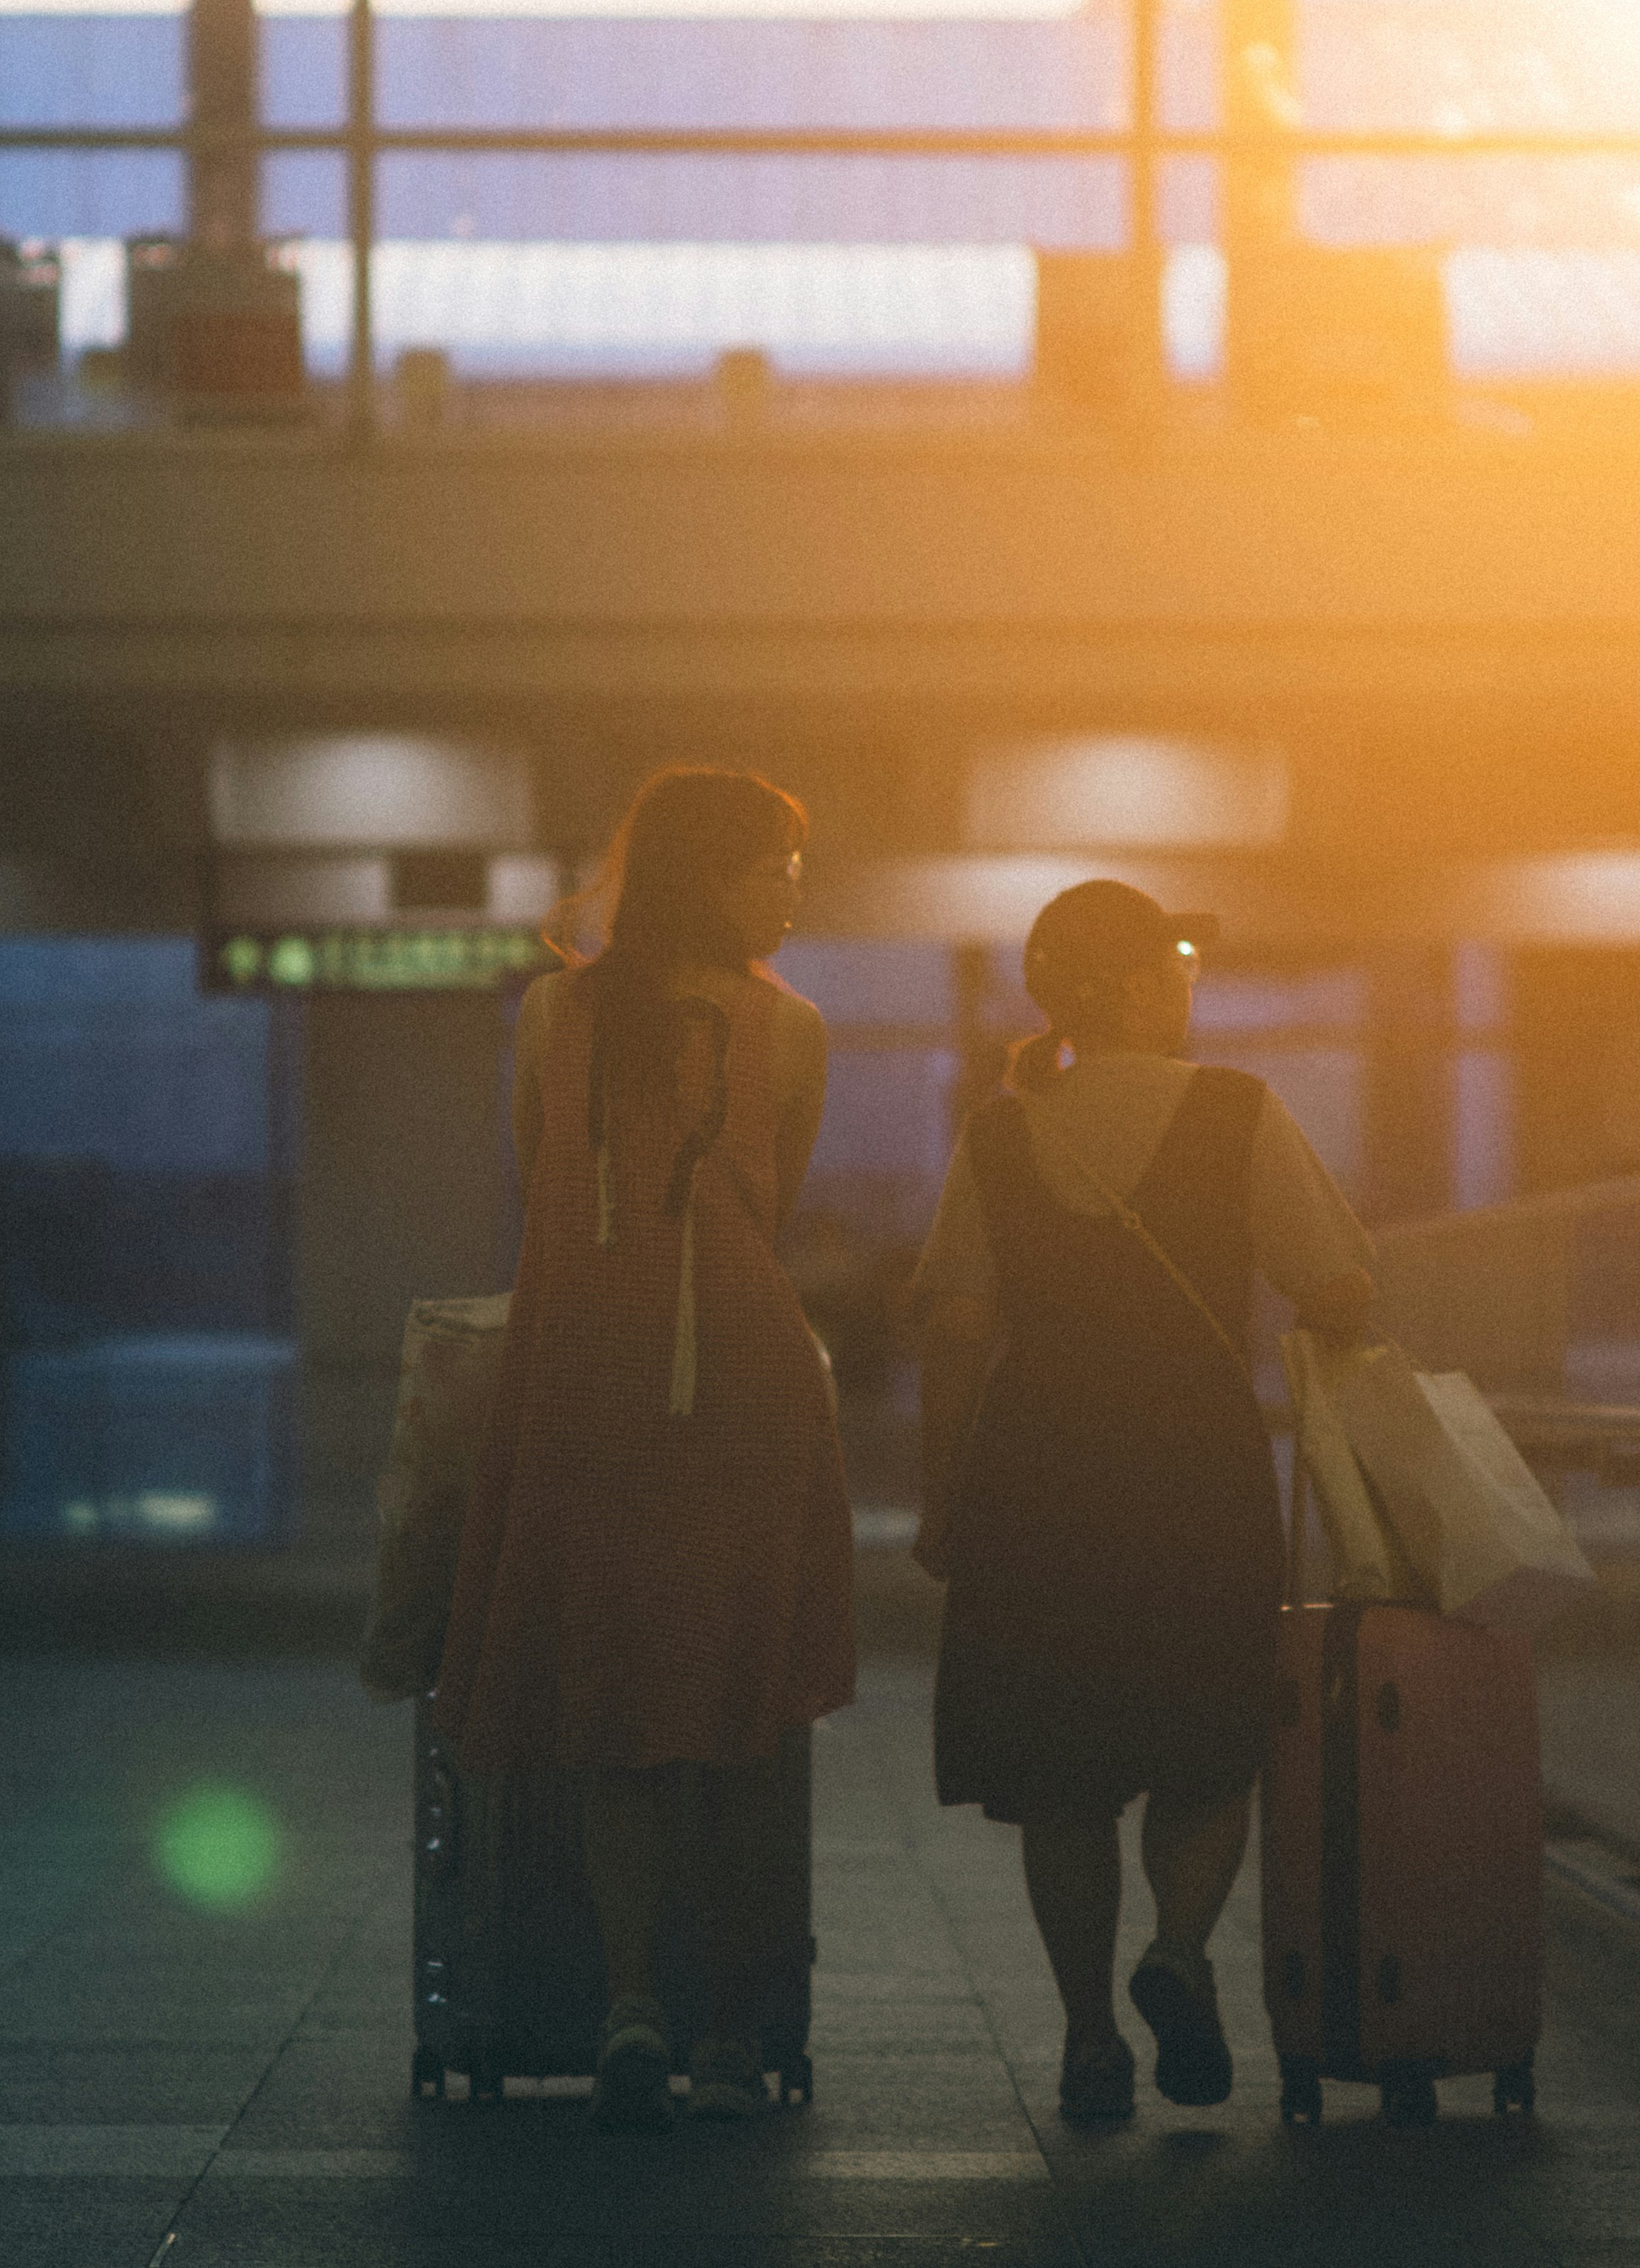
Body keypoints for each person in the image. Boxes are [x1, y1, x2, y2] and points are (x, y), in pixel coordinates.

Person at [909, 879, 1382, 2123]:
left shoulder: (999, 1132)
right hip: (1192, 1458)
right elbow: (1335, 1288)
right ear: (1126, 986)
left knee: (1062, 1777)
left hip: (1036, 1466)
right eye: (1174, 959)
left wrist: (939, 1494)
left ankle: (1083, 2041)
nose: (1189, 978)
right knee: (1208, 1739)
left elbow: (955, 1326)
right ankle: (1176, 1952)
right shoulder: (1235, 1110)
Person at [433, 766, 853, 2132]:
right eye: (773, 864)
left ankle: (627, 1998)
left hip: (584, 1368)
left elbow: (532, 1177)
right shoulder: (789, 1032)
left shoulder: (555, 1013)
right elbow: (771, 1203)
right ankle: (731, 2028)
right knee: (738, 1697)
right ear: (709, 874)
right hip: (742, 1371)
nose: (793, 887)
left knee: (615, 1696)